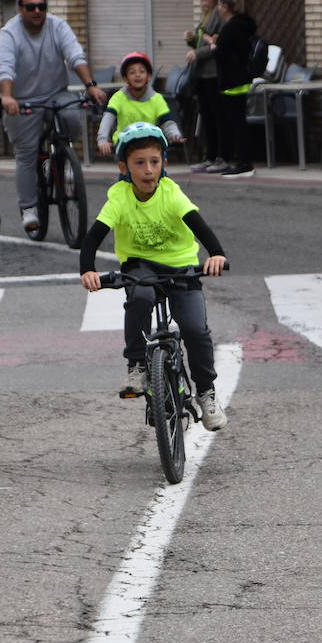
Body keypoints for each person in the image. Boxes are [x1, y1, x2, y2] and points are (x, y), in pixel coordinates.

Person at [78, 123, 229, 430]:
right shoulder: (119, 197)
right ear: (124, 167)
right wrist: (88, 270)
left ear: (163, 164)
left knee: (194, 329)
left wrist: (215, 254)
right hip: (140, 266)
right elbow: (93, 238)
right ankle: (137, 365)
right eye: (139, 163)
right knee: (140, 298)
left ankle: (206, 392)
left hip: (181, 265)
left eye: (155, 162)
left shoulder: (171, 194)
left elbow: (200, 228)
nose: (148, 170)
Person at [0, 0, 108, 234]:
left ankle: (63, 163)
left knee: (71, 117)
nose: (37, 11)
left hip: (56, 93)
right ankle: (29, 209)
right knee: (26, 154)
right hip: (22, 100)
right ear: (20, 10)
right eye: (31, 7)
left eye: (42, 7)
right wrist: (6, 96)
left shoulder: (57, 26)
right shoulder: (10, 33)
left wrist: (90, 86)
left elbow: (75, 55)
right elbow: (5, 67)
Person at [206, 0, 258, 178]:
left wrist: (213, 46)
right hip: (242, 78)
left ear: (225, 7)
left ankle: (243, 162)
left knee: (236, 122)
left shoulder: (230, 27)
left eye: (220, 5)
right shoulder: (245, 24)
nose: (218, 8)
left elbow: (223, 53)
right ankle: (243, 160)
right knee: (239, 120)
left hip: (231, 80)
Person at [95, 52, 183, 158]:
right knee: (127, 173)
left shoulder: (157, 99)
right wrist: (102, 140)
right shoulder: (118, 97)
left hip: (150, 147)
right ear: (125, 78)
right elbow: (108, 119)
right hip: (125, 147)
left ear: (149, 76)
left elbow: (167, 122)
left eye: (142, 71)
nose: (137, 75)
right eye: (132, 72)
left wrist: (175, 135)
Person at [186, 0, 226, 173]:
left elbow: (216, 46)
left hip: (213, 72)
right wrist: (192, 41)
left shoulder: (218, 14)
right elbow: (203, 43)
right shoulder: (206, 15)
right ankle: (209, 156)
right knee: (207, 116)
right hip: (202, 73)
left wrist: (198, 53)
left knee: (217, 116)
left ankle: (220, 155)